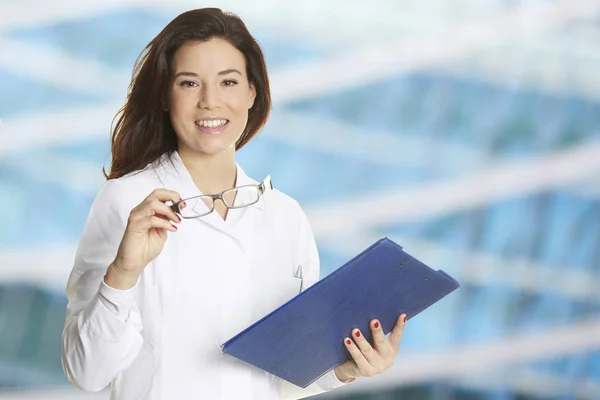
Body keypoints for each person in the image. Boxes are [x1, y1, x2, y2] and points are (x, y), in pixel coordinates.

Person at [61, 7, 406, 400]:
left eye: (228, 82)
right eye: (189, 83)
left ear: (252, 92)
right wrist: (123, 272)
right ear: (164, 95)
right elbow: (86, 371)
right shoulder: (127, 201)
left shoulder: (284, 215)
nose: (210, 102)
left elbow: (282, 375)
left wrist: (345, 369)